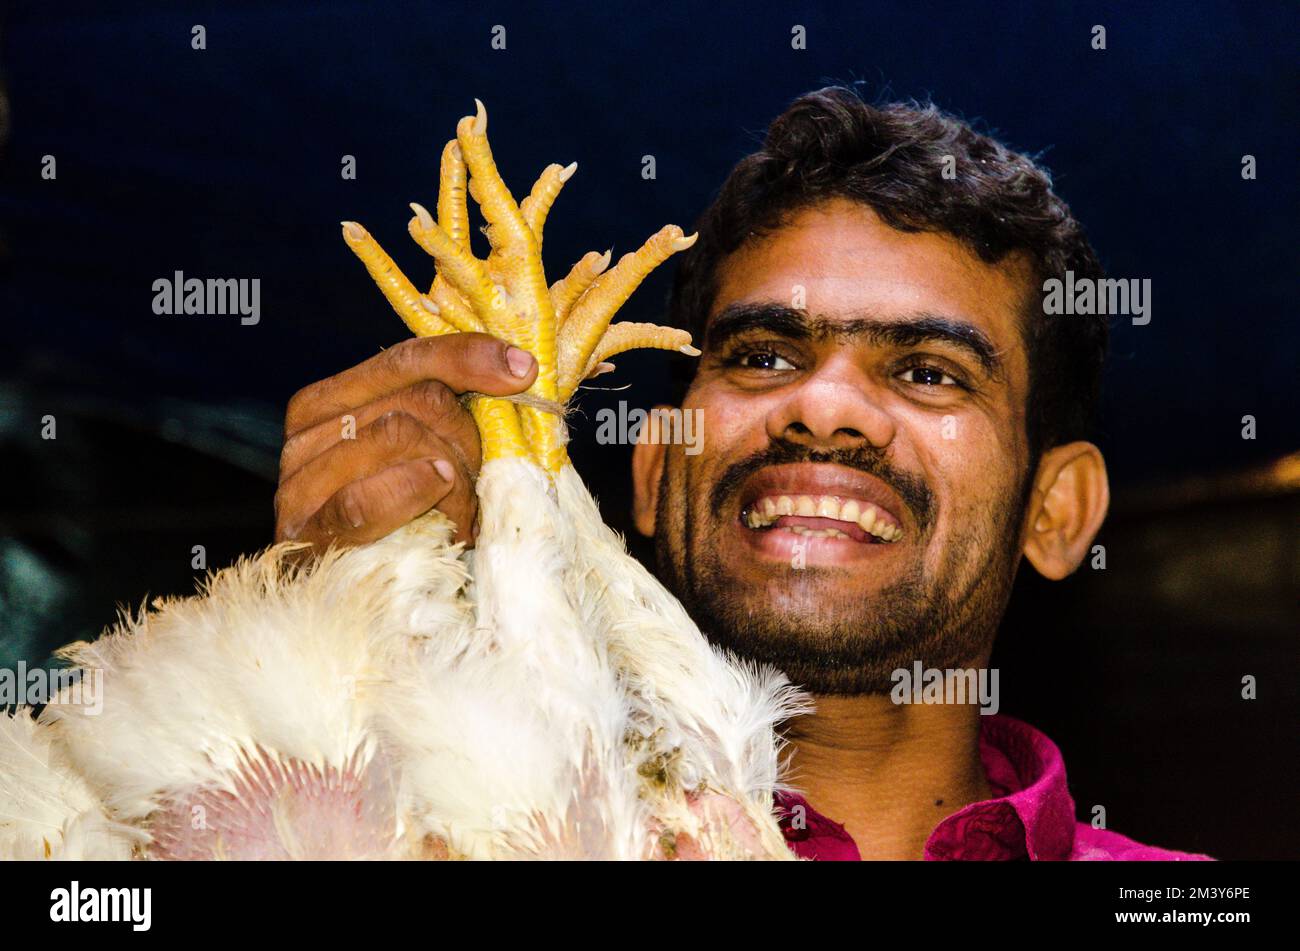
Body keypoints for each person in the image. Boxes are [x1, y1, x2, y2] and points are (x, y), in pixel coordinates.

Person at [273, 87, 1209, 860]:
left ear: (1055, 512)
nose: (825, 407)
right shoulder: (414, 833)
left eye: (928, 372)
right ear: (650, 469)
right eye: (763, 356)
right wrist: (318, 670)